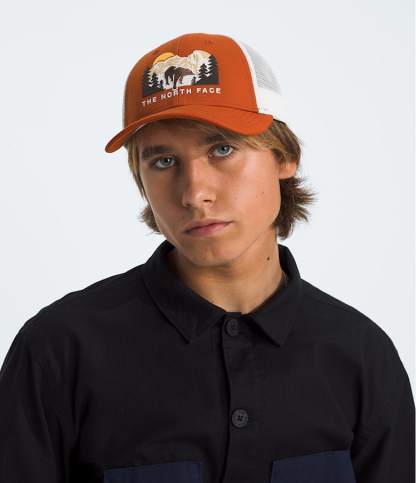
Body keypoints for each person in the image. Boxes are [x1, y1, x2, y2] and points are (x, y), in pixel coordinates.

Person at [0, 32, 414, 483]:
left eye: (222, 149)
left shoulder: (361, 356)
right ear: (141, 182)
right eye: (163, 162)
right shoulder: (59, 351)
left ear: (285, 156)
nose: (195, 193)